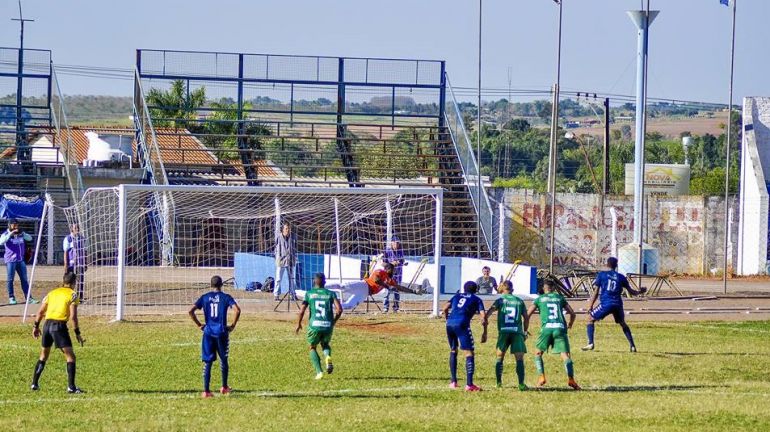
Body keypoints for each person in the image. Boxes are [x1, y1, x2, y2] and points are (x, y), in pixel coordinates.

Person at [30, 272, 85, 393]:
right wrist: (77, 333)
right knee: (70, 356)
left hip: (47, 325)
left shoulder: (52, 293)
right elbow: (73, 317)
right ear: (74, 283)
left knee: (43, 355)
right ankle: (71, 387)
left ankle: (34, 384)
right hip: (59, 327)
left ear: (63, 281)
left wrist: (36, 326)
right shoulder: (73, 295)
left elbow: (40, 312)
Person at [189, 275, 241, 398]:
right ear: (221, 285)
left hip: (208, 332)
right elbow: (237, 310)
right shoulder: (226, 297)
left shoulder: (205, 297)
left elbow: (190, 311)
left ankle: (206, 391)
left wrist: (199, 325)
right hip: (221, 332)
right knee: (224, 360)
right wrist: (233, 325)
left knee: (208, 362)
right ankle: (224, 387)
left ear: (211, 285)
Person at [582, 257, 645, 353]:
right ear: (616, 265)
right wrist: (640, 291)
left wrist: (590, 305)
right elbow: (631, 292)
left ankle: (590, 343)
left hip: (606, 303)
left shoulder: (602, 275)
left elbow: (595, 292)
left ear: (607, 264)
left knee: (590, 319)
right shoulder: (621, 277)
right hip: (618, 304)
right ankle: (632, 346)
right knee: (623, 323)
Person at [527, 279, 580, 390]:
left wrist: (525, 328)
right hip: (560, 328)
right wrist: (570, 324)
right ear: (554, 288)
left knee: (538, 354)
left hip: (546, 329)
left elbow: (528, 314)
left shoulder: (539, 299)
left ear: (543, 288)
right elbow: (573, 313)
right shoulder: (560, 298)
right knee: (565, 355)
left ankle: (541, 377)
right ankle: (571, 379)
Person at [483, 280, 529, 390]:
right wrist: (525, 331)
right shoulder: (519, 301)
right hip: (517, 332)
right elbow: (526, 318)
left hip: (503, 331)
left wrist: (484, 324)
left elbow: (488, 314)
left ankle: (499, 383)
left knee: (499, 357)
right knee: (519, 358)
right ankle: (521, 384)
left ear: (503, 288)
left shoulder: (500, 301)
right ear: (512, 289)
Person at [296, 273, 343, 380]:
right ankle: (327, 357)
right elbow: (339, 310)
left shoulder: (309, 294)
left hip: (314, 326)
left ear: (314, 281)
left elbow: (302, 310)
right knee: (325, 344)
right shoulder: (331, 293)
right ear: (325, 282)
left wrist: (298, 324)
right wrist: (333, 321)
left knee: (312, 347)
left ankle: (319, 372)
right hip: (327, 325)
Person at [442, 281, 487, 392]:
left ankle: (453, 382)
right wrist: (485, 331)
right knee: (469, 353)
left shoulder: (456, 296)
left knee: (453, 350)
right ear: (476, 290)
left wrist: (447, 319)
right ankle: (469, 385)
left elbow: (444, 308)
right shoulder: (477, 299)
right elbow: (483, 316)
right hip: (462, 324)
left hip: (450, 324)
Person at [330, 262, 422, 311]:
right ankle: (320, 286)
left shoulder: (390, 280)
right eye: (392, 270)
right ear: (388, 269)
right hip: (363, 285)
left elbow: (400, 287)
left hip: (365, 293)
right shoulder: (380, 272)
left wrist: (413, 291)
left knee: (348, 306)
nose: (393, 272)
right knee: (342, 287)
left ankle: (328, 306)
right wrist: (386, 286)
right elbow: (376, 280)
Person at [1, 218, 37, 305]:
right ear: (9, 225)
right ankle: (11, 297)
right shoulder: (6, 234)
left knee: (24, 279)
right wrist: (10, 234)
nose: (15, 227)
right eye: (13, 225)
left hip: (20, 260)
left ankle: (29, 298)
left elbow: (30, 238)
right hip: (11, 261)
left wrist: (23, 233)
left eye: (16, 225)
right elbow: (1, 242)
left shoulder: (20, 233)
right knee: (10, 279)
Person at [274, 222, 297, 302]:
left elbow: (294, 249)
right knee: (278, 278)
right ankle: (276, 294)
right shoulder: (279, 237)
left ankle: (293, 294)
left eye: (289, 229)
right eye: (286, 228)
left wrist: (294, 258)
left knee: (291, 278)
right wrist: (278, 259)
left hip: (290, 261)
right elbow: (276, 249)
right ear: (283, 229)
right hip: (281, 261)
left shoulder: (292, 238)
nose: (288, 230)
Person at [63, 223, 87, 300]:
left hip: (80, 263)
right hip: (71, 264)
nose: (77, 229)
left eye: (78, 227)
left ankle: (80, 297)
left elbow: (85, 251)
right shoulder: (68, 238)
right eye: (75, 227)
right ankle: (68, 295)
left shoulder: (82, 239)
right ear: (72, 229)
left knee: (81, 280)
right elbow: (66, 252)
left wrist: (85, 262)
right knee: (70, 280)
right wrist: (66, 264)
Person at [382, 236, 406, 313]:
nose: (397, 245)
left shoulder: (400, 251)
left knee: (397, 291)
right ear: (392, 243)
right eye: (396, 243)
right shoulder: (387, 251)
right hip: (389, 275)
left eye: (398, 243)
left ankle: (396, 308)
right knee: (387, 291)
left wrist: (401, 262)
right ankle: (385, 307)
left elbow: (402, 260)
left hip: (398, 274)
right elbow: (383, 263)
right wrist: (391, 264)